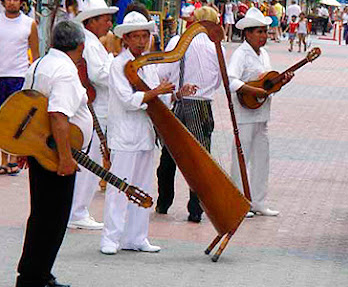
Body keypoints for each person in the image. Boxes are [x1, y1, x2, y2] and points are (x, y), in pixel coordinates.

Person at [16, 20, 93, 287]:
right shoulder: (65, 70)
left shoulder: (39, 64)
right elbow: (58, 116)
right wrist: (65, 158)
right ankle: (35, 278)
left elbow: (27, 109)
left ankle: (34, 272)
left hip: (40, 148)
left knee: (40, 214)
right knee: (54, 218)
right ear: (80, 46)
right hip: (54, 153)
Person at [100, 11, 175, 255]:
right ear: (126, 39)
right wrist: (155, 93)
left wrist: (175, 92)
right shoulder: (118, 65)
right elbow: (128, 100)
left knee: (143, 187)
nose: (142, 41)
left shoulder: (148, 65)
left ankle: (136, 237)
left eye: (145, 36)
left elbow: (159, 96)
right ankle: (110, 238)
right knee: (119, 187)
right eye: (136, 37)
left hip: (145, 135)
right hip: (124, 135)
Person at [155, 6, 222, 223]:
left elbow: (162, 72)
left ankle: (163, 202)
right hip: (202, 106)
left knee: (169, 155)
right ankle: (195, 209)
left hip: (178, 103)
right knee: (199, 159)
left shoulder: (177, 42)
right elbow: (220, 79)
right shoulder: (215, 46)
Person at [228, 7, 293, 217]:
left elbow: (268, 84)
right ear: (247, 33)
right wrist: (252, 90)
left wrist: (281, 81)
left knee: (262, 159)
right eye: (259, 32)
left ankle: (258, 201)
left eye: (265, 31)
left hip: (262, 114)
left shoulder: (264, 54)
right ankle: (239, 201)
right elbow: (230, 80)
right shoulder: (240, 54)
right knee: (241, 159)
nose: (264, 36)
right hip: (244, 115)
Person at [67, 0, 118, 230]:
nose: (109, 23)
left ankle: (77, 209)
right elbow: (99, 75)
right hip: (95, 109)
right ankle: (78, 210)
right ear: (92, 21)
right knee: (91, 160)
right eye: (104, 19)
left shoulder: (92, 42)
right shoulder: (89, 43)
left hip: (98, 107)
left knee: (92, 159)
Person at [0, 0, 39, 175]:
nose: (11, 2)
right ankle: (3, 160)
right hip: (1, 75)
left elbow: (35, 53)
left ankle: (14, 159)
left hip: (19, 76)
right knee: (1, 119)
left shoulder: (29, 24)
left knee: (16, 119)